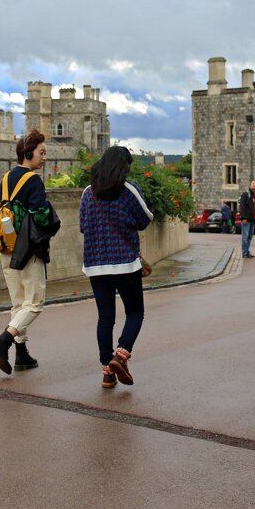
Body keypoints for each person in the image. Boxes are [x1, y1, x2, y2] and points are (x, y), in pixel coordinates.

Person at [0, 129, 60, 375]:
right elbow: (40, 214)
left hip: (5, 247)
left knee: (18, 302)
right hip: (28, 249)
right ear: (28, 153)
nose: (44, 157)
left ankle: (22, 354)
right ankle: (3, 341)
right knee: (35, 302)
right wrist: (48, 213)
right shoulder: (33, 180)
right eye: (41, 152)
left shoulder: (5, 178)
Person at [79, 146, 153, 389]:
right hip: (124, 262)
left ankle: (106, 373)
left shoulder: (88, 193)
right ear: (124, 166)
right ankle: (120, 355)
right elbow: (145, 219)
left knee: (105, 318)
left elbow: (83, 226)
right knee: (134, 313)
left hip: (95, 264)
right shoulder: (129, 190)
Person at [238, 180, 255, 258]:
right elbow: (242, 207)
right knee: (245, 236)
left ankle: (247, 252)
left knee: (250, 237)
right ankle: (244, 253)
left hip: (252, 220)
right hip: (246, 219)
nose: (254, 185)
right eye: (253, 184)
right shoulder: (246, 194)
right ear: (250, 185)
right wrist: (243, 217)